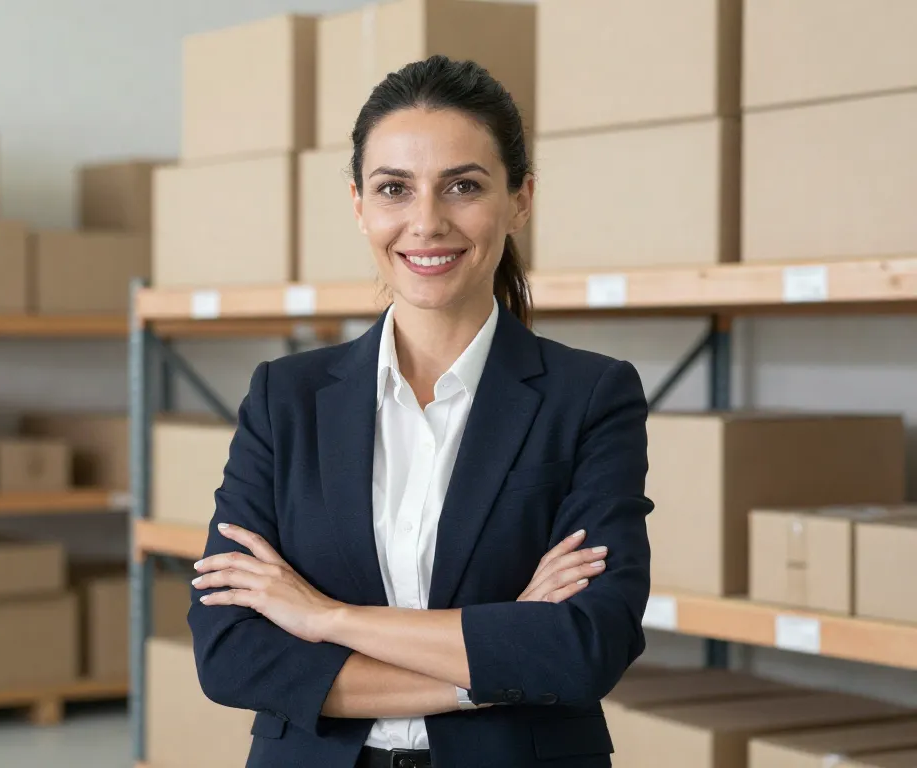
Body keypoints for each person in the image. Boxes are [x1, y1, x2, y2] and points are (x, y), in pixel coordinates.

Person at [186, 55, 653, 768]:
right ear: (358, 205)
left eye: (463, 186)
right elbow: (230, 654)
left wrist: (325, 618)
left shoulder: (589, 397)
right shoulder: (286, 399)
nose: (426, 222)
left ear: (520, 198)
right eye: (394, 189)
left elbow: (585, 647)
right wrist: (491, 668)